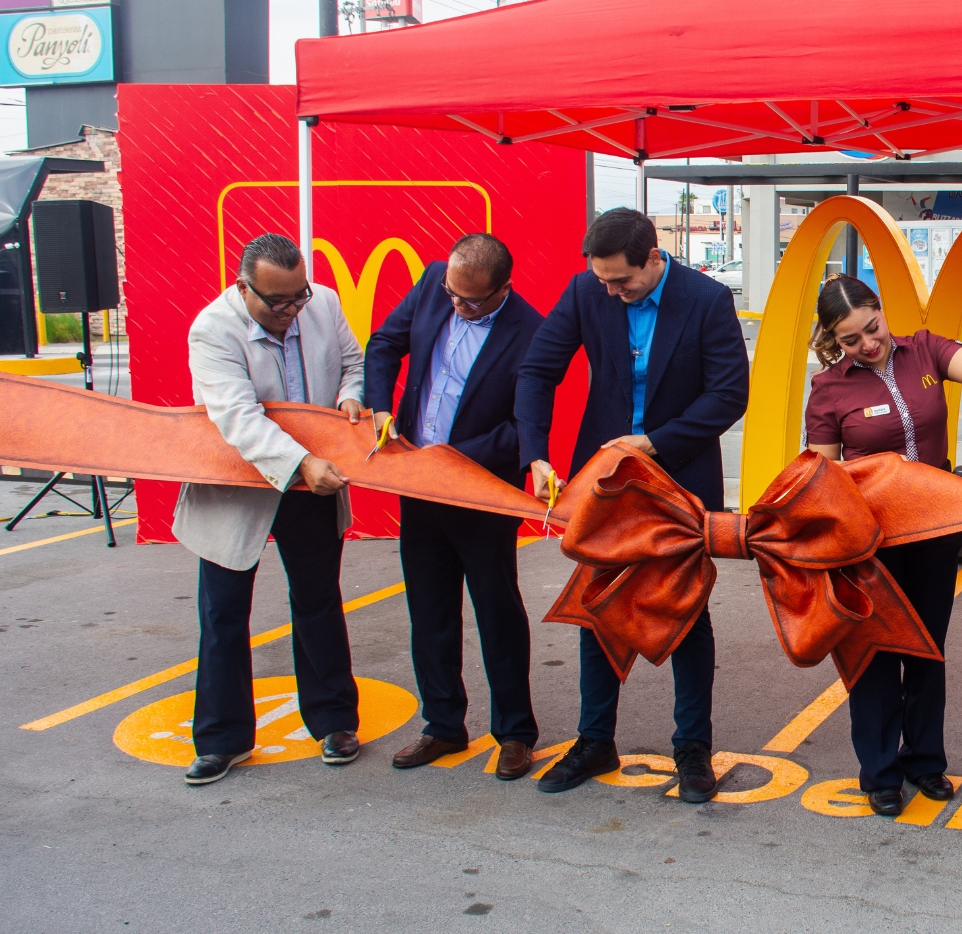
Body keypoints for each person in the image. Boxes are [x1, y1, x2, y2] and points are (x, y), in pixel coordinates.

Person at [515, 208, 750, 799]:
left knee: (687, 613)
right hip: (607, 482)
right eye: (603, 282)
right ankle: (595, 741)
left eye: (623, 281)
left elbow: (730, 394)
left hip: (680, 480)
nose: (613, 292)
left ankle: (693, 750)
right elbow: (538, 371)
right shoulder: (585, 290)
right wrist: (535, 453)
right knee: (598, 606)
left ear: (653, 257)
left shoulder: (706, 299)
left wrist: (656, 441)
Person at [803, 275, 962, 816]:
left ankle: (926, 762)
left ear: (881, 308)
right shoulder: (829, 389)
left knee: (925, 644)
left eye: (872, 328)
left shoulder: (924, 348)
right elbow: (822, 474)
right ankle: (881, 772)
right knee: (873, 651)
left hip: (937, 525)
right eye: (850, 340)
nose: (868, 344)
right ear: (833, 340)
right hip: (871, 537)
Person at [173, 233, 367, 785]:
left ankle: (334, 722)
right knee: (224, 614)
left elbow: (353, 361)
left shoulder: (323, 304)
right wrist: (302, 459)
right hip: (238, 489)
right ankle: (221, 740)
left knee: (318, 602)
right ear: (243, 288)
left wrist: (350, 395)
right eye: (275, 303)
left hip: (312, 487)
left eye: (296, 298)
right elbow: (238, 418)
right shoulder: (213, 329)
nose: (289, 312)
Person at [364, 234, 545, 781]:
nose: (457, 307)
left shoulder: (530, 332)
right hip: (419, 487)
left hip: (479, 493)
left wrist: (452, 457)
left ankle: (515, 733)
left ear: (501, 291)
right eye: (452, 295)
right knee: (430, 610)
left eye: (470, 301)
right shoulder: (433, 285)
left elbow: (521, 430)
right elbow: (383, 344)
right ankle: (442, 724)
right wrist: (377, 406)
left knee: (497, 613)